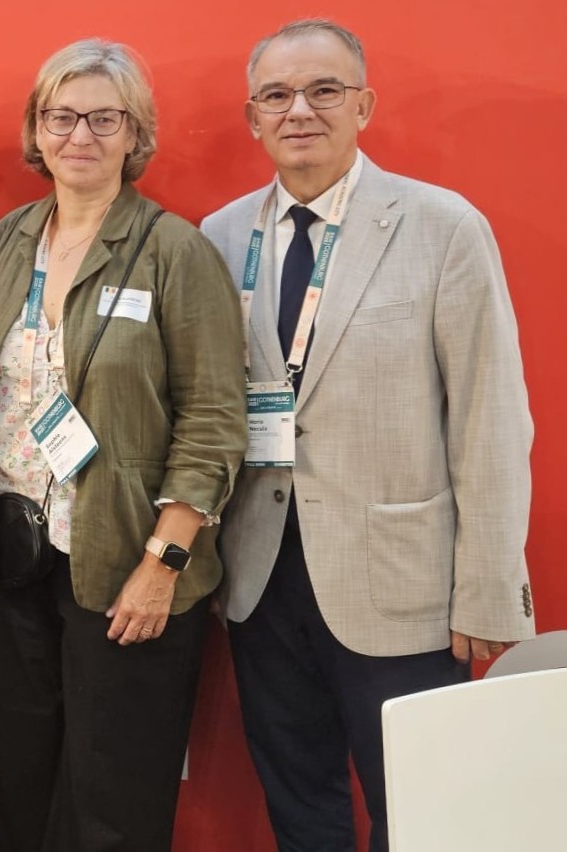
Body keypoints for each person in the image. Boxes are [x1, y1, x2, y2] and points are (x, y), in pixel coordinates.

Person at [201, 19, 535, 852]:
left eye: (323, 90)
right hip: (259, 577)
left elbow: (491, 417)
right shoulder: (219, 236)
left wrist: (489, 588)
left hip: (402, 585)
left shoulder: (440, 225)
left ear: (363, 105)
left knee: (420, 813)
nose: (298, 110)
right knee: (298, 803)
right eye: (276, 95)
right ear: (251, 117)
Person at [0, 39, 245, 851]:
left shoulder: (174, 251)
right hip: (18, 562)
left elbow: (213, 421)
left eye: (103, 119)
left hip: (125, 565)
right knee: (23, 791)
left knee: (112, 807)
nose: (79, 135)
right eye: (60, 117)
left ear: (134, 133)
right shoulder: (6, 243)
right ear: (35, 130)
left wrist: (163, 564)